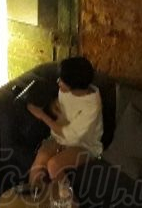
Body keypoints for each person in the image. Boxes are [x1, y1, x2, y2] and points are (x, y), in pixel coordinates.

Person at [27, 55, 104, 188]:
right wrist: (54, 106)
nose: (58, 82)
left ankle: (67, 198)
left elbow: (71, 136)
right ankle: (34, 198)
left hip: (83, 146)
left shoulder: (92, 106)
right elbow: (61, 105)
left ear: (74, 85)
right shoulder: (67, 90)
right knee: (38, 164)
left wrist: (42, 115)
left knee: (54, 165)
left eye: (62, 80)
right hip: (59, 138)